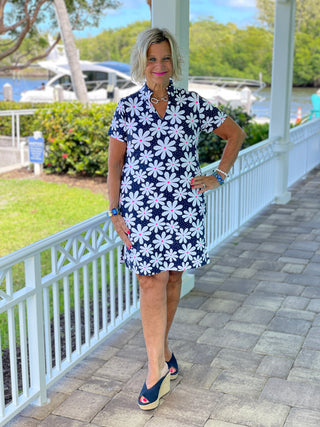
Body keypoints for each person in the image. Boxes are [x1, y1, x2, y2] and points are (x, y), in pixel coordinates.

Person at [107, 27, 246, 410]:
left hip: (183, 208)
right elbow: (115, 167)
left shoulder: (191, 103)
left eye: (165, 58)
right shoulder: (127, 108)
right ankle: (155, 370)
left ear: (173, 62)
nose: (159, 65)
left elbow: (235, 134)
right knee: (150, 281)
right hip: (140, 211)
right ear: (142, 63)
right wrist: (114, 211)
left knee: (172, 282)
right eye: (152, 59)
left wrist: (219, 174)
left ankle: (163, 352)